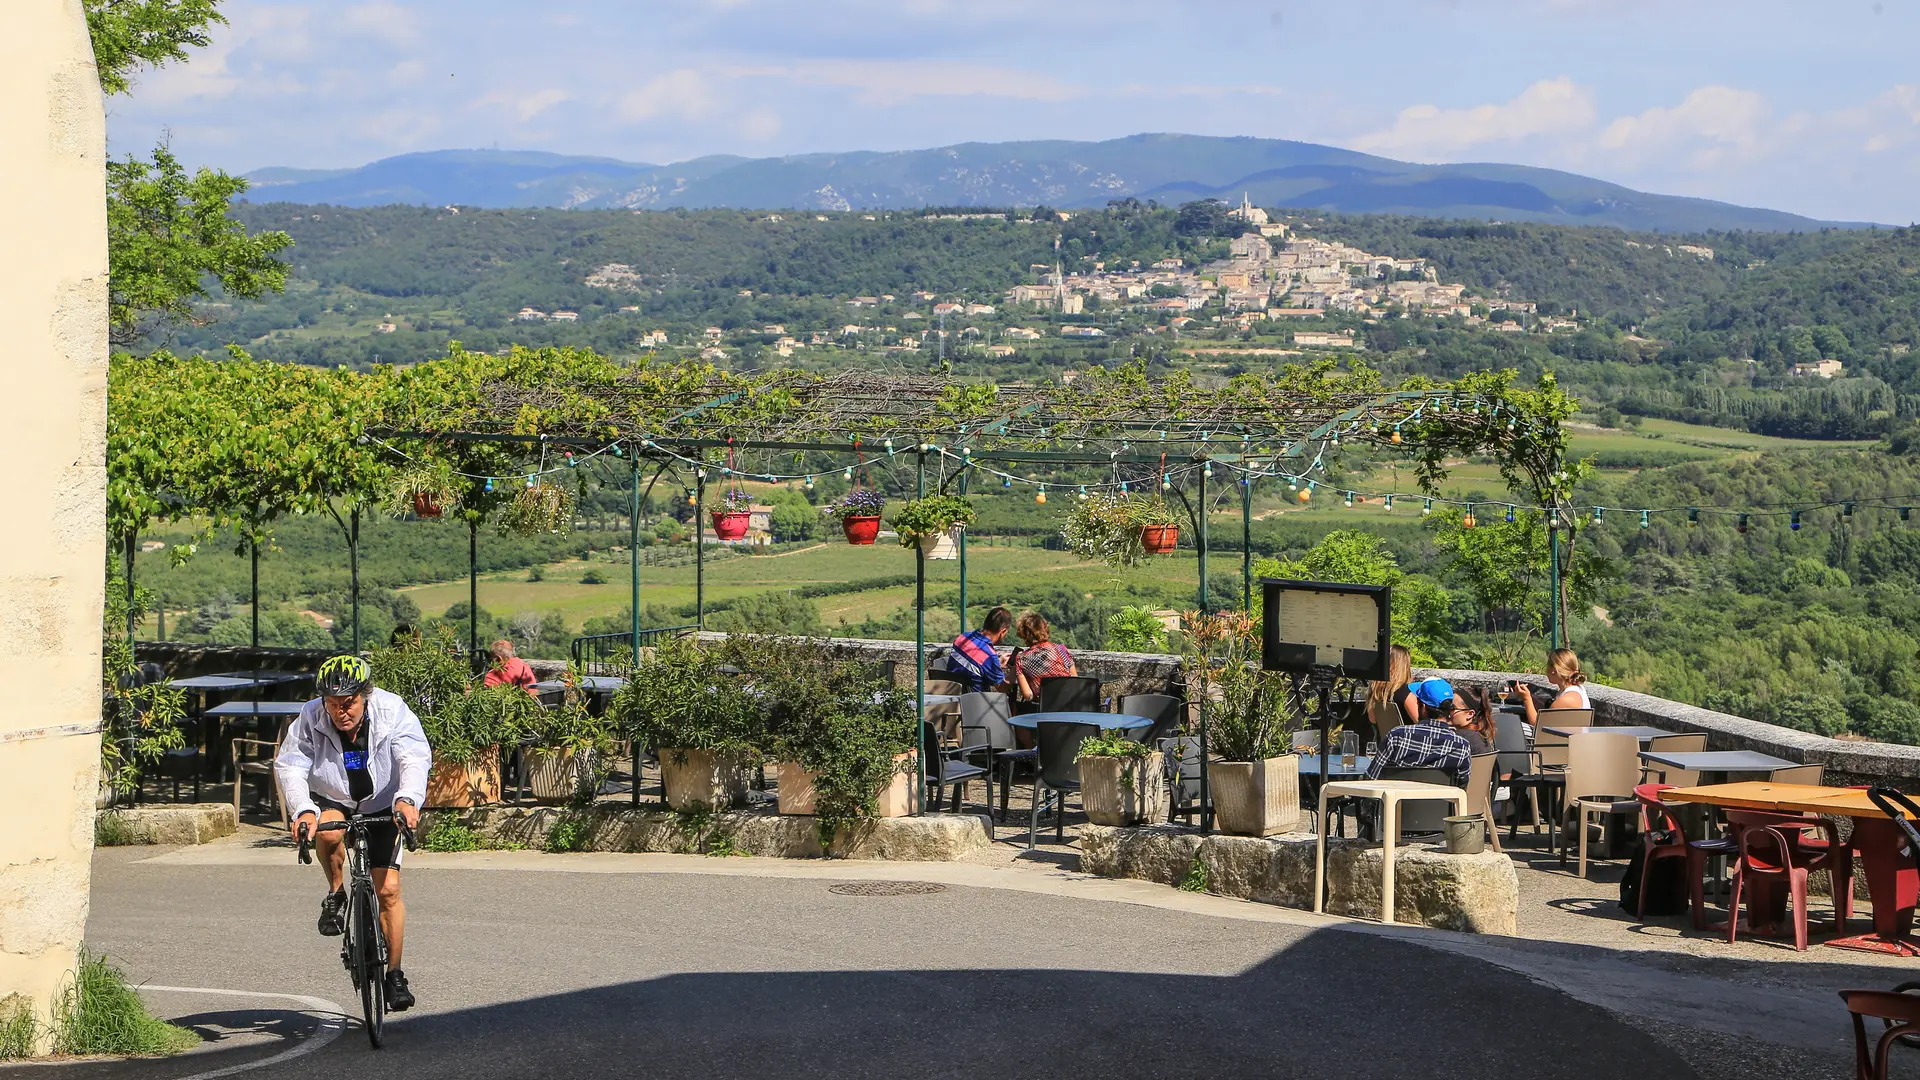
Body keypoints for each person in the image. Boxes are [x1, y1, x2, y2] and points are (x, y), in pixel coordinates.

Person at [276, 655, 432, 1011]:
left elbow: (413, 757)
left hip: (383, 799)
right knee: (328, 834)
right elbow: (292, 765)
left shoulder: (392, 710)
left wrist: (407, 799)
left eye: (348, 703)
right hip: (333, 795)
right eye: (332, 704)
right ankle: (336, 893)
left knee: (388, 891)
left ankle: (395, 975)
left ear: (365, 695)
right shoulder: (310, 716)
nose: (340, 712)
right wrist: (302, 809)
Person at [1366, 677, 1472, 789]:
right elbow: (1461, 788)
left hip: (1398, 799)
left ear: (1423, 706)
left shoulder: (1397, 736)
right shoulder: (1461, 746)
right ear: (1450, 710)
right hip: (1441, 800)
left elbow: (1371, 779)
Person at [1513, 647, 1591, 727]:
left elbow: (1539, 726)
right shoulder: (1576, 690)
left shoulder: (1567, 699)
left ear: (1554, 671)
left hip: (1560, 736)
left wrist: (1526, 699)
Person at [1010, 611, 1077, 704]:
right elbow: (1075, 680)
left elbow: (1028, 695)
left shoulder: (1021, 659)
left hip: (1045, 708)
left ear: (1024, 634)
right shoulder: (1061, 649)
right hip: (1069, 705)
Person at [947, 607, 1013, 695]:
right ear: (1003, 631)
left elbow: (975, 662)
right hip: (976, 701)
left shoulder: (963, 638)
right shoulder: (989, 656)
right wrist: (1016, 670)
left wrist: (997, 663)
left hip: (951, 696)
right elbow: (1002, 687)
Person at [1364, 644, 1418, 745]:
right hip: (1407, 748)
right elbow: (1423, 725)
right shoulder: (1405, 694)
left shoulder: (1375, 694)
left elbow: (1373, 720)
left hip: (1387, 747)